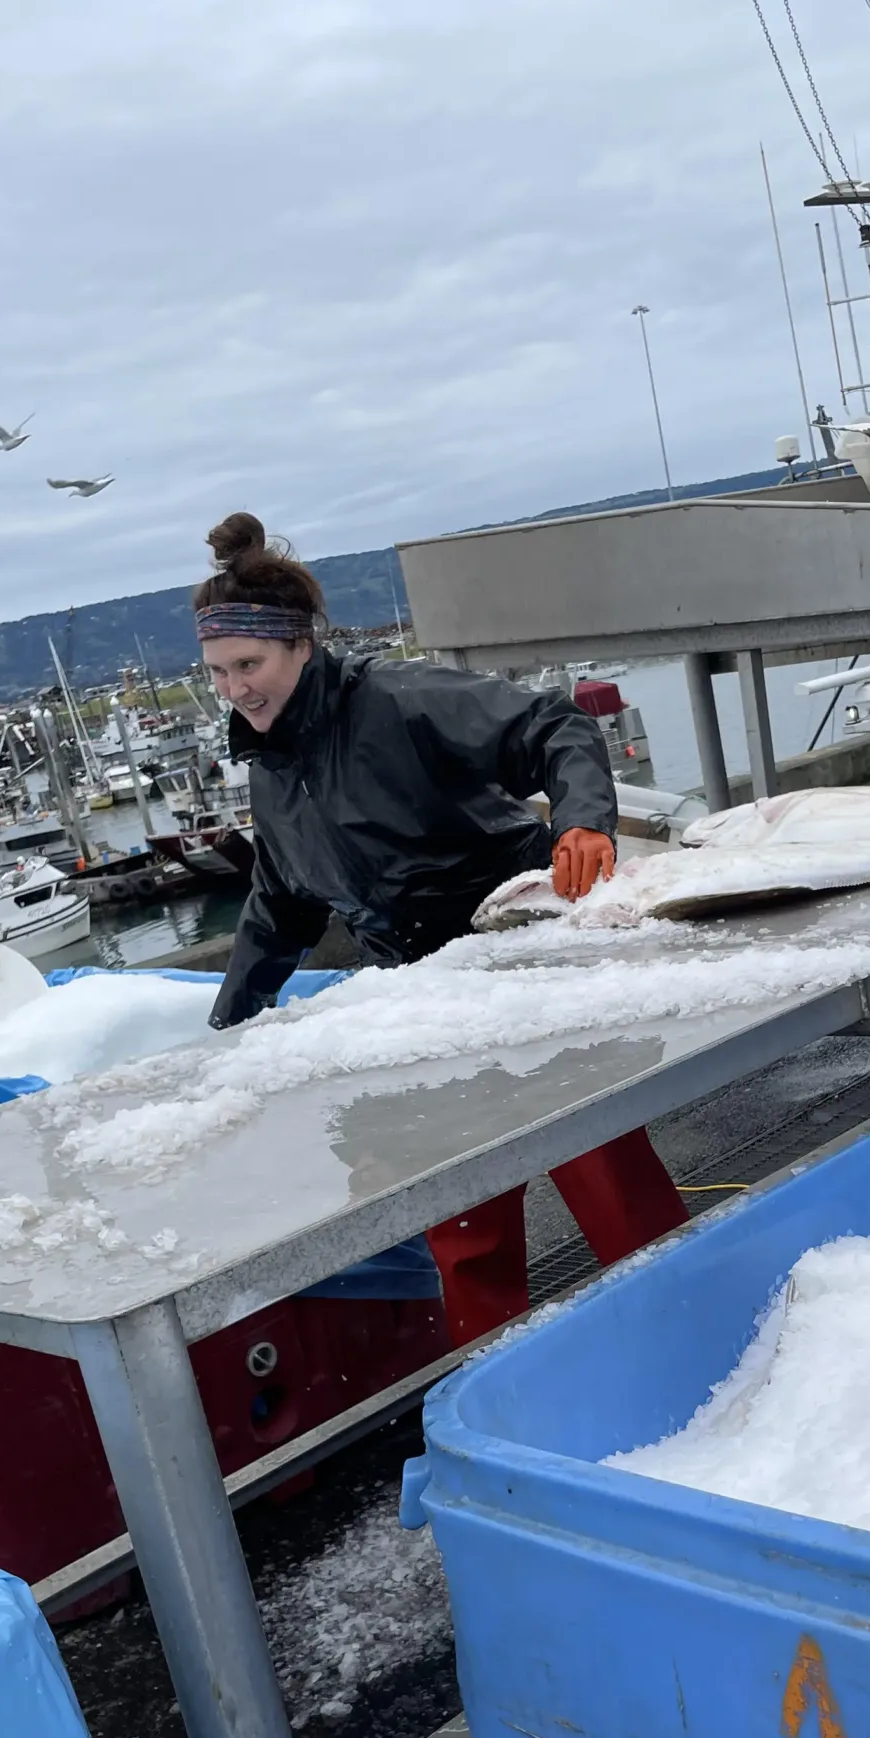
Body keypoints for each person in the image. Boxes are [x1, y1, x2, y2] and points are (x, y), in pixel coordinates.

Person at [196, 513, 688, 1342]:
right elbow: (280, 905)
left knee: (609, 1185)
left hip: (521, 976)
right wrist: (226, 1032)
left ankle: (688, 1330)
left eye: (249, 664)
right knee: (466, 1226)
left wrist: (585, 822)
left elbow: (554, 725)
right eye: (216, 672)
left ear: (302, 646)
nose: (235, 688)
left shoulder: (398, 703)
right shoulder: (271, 771)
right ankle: (496, 1383)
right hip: (421, 1009)